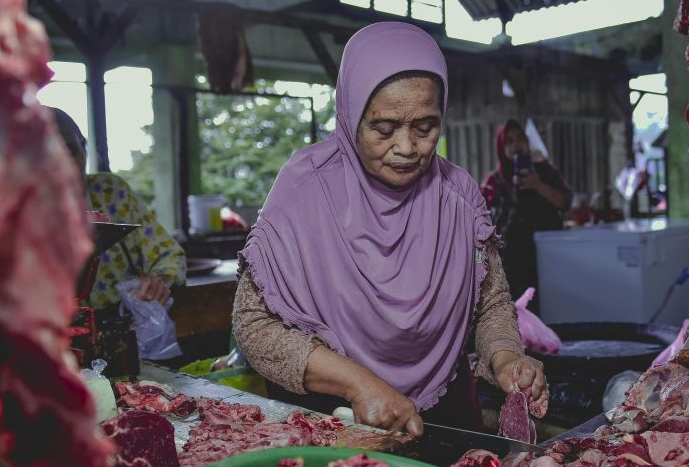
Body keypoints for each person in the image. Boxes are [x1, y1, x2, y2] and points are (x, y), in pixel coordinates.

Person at [232, 22, 549, 436]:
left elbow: (490, 303)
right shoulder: (304, 191)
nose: (406, 148)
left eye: (425, 127)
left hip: (444, 413)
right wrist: (357, 383)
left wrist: (506, 358)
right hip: (333, 420)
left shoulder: (456, 196)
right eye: (383, 129)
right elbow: (253, 325)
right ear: (349, 114)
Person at [52, 108, 186, 308]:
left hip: (122, 326)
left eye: (70, 151)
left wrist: (159, 282)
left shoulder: (111, 192)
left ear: (84, 149)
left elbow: (168, 254)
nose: (61, 164)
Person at [481, 119, 572, 311]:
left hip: (548, 259)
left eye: (521, 139)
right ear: (501, 147)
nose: (516, 145)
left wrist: (538, 185)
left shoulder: (544, 172)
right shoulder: (494, 182)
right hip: (511, 265)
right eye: (510, 141)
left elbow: (564, 202)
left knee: (552, 311)